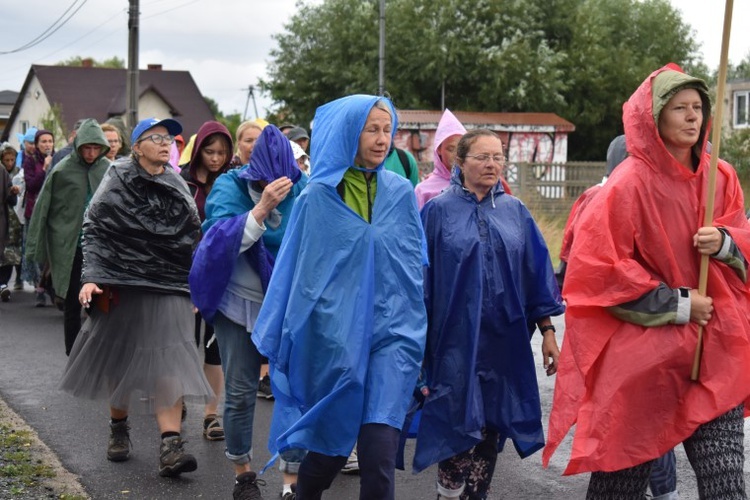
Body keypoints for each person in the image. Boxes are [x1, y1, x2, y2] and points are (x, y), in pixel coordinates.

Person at [543, 63, 750, 499]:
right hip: (642, 365)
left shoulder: (721, 176)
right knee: (619, 485)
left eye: (698, 108)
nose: (693, 117)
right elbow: (599, 272)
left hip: (713, 352)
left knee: (726, 485)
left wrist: (727, 241)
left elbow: (744, 245)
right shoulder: (627, 185)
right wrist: (678, 303)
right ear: (655, 116)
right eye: (680, 109)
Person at [252, 95, 427, 500]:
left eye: (387, 129)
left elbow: (414, 266)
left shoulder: (401, 192)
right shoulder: (317, 199)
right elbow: (297, 277)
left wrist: (419, 329)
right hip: (336, 342)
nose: (383, 139)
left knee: (379, 452)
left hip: (392, 336)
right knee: (330, 451)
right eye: (372, 129)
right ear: (349, 133)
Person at [59, 117, 213, 477]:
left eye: (169, 139)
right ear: (137, 146)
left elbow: (192, 236)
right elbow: (94, 228)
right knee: (119, 357)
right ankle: (118, 426)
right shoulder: (116, 178)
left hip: (169, 284)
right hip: (121, 282)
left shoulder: (176, 182)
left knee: (170, 360)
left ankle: (171, 445)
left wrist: (195, 286)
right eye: (154, 137)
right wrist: (92, 276)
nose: (165, 144)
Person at [415, 129, 564, 499]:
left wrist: (547, 330)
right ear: (460, 162)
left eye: (498, 157)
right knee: (455, 425)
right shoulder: (437, 212)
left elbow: (536, 275)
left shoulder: (515, 213)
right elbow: (420, 280)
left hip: (504, 343)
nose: (492, 164)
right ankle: (447, 494)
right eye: (482, 157)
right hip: (452, 344)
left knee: (491, 428)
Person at [189, 124, 308, 500]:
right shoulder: (230, 186)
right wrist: (261, 207)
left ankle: (291, 479)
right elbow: (217, 241)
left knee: (293, 391)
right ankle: (244, 473)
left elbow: (315, 241)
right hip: (238, 303)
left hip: (288, 306)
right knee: (240, 391)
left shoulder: (302, 187)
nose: (275, 181)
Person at [25, 119, 110, 355]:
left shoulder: (108, 170)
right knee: (73, 302)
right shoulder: (62, 170)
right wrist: (35, 247)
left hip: (100, 248)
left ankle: (96, 355)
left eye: (96, 147)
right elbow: (43, 208)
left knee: (99, 304)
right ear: (78, 145)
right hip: (71, 247)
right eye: (86, 147)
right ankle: (72, 355)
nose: (91, 153)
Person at [180, 120, 234, 442]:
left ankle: (211, 415)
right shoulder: (181, 181)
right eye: (209, 152)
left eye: (221, 152)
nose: (215, 158)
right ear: (198, 150)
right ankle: (177, 402)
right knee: (183, 346)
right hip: (183, 275)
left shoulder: (231, 182)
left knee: (214, 349)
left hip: (219, 277)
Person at [22, 129, 55, 307]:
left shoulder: (58, 159)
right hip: (34, 212)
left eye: (50, 141)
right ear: (37, 144)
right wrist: (44, 169)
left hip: (52, 212)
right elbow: (32, 185)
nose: (47, 145)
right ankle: (39, 288)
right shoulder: (30, 161)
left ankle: (47, 285)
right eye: (43, 141)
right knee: (36, 251)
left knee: (50, 252)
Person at [414, 109, 466, 208]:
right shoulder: (424, 190)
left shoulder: (474, 185)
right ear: (438, 149)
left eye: (461, 149)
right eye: (451, 149)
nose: (457, 155)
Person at [0, 143, 23, 300]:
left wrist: (13, 192)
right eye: (6, 160)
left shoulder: (3, 172)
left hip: (8, 222)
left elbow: (11, 199)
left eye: (12, 160)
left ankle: (3, 284)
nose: (9, 163)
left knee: (9, 254)